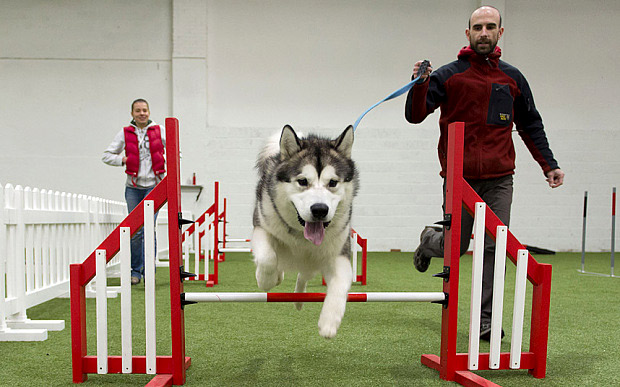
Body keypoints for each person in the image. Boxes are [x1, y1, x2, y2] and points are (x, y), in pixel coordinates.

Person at [404, 6, 564, 340]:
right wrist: (419, 84)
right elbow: (416, 115)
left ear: (500, 33)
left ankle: (485, 321)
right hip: (458, 178)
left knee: (495, 247)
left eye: (491, 27)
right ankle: (427, 241)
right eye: (478, 27)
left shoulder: (513, 78)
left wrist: (549, 164)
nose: (484, 32)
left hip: (500, 179)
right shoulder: (448, 76)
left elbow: (531, 124)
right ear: (468, 34)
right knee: (456, 246)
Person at [102, 99, 165, 285]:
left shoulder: (159, 130)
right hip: (133, 188)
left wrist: (165, 162)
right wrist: (123, 160)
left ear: (149, 111)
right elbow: (106, 155)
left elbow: (176, 152)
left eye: (145, 110)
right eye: (138, 111)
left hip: (154, 186)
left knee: (148, 228)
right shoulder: (124, 132)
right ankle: (135, 271)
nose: (142, 113)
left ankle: (149, 273)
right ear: (132, 114)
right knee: (136, 231)